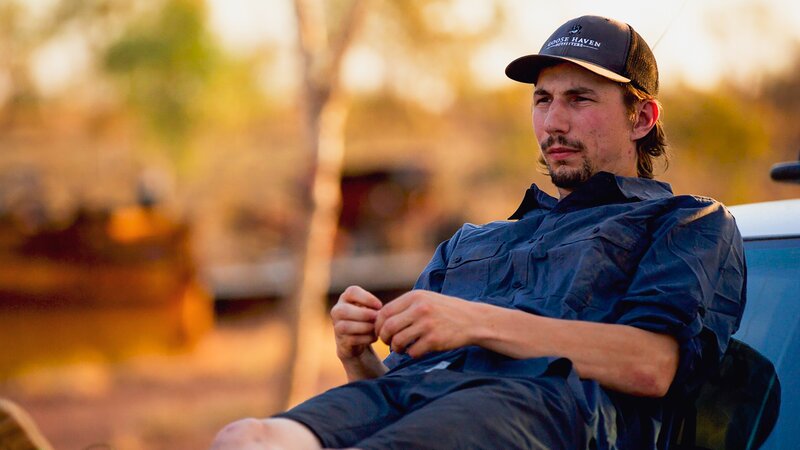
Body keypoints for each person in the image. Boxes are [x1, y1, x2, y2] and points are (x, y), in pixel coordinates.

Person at [211, 15, 745, 449]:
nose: (553, 123)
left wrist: (473, 322)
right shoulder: (471, 243)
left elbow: (652, 365)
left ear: (642, 118)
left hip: (542, 412)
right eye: (543, 100)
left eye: (579, 99)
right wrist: (357, 355)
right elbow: (398, 393)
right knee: (245, 437)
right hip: (431, 401)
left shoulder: (684, 222)